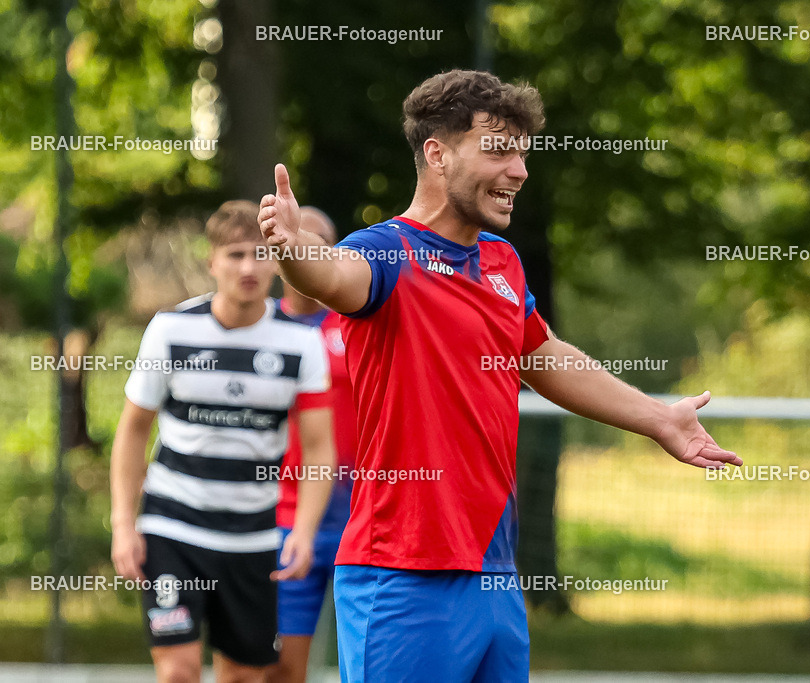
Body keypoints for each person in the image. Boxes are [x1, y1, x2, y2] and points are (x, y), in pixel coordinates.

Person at [258, 69, 741, 682]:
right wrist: (292, 247)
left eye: (522, 152)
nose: (519, 170)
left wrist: (658, 418)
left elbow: (545, 357)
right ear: (437, 153)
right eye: (499, 149)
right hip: (404, 575)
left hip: (495, 572)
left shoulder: (502, 262)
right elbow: (329, 276)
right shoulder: (386, 252)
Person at [110, 200, 335, 683]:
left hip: (253, 537)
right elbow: (132, 430)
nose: (249, 267)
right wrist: (123, 524)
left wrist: (304, 531)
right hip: (174, 528)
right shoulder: (170, 331)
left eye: (260, 253)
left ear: (278, 260)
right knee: (179, 671)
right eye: (235, 254)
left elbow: (319, 447)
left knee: (244, 677)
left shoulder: (300, 343)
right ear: (211, 262)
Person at [269, 207, 357, 683]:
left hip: (361, 523)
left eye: (318, 241)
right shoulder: (259, 330)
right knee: (280, 669)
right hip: (281, 519)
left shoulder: (360, 326)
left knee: (369, 666)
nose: (305, 248)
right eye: (295, 238)